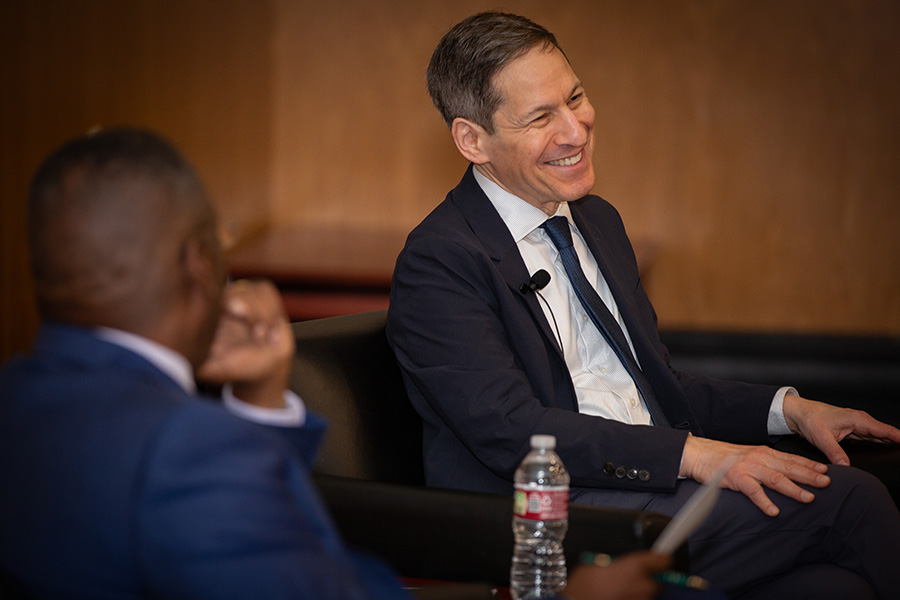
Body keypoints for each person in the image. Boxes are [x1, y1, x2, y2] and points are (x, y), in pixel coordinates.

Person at [0, 127, 672, 600]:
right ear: (198, 264)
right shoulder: (187, 451)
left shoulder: (18, 399)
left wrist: (262, 401)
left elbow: (248, 536)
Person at [387, 11, 900, 600]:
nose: (576, 130)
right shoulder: (442, 259)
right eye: (540, 118)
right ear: (472, 139)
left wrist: (793, 410)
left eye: (575, 97)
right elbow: (512, 431)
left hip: (649, 489)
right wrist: (696, 455)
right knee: (853, 502)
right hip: (552, 521)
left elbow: (660, 386)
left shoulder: (597, 222)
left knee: (831, 588)